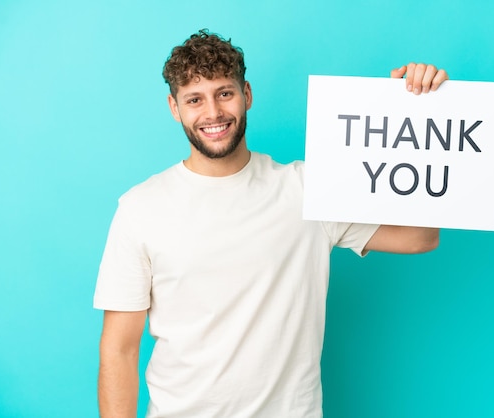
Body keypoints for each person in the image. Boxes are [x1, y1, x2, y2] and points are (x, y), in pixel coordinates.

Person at [94, 29, 448, 418]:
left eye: (224, 93)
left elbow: (420, 237)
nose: (212, 113)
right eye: (195, 99)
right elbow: (120, 349)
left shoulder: (308, 190)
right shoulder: (140, 208)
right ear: (175, 108)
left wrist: (417, 110)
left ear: (246, 94)